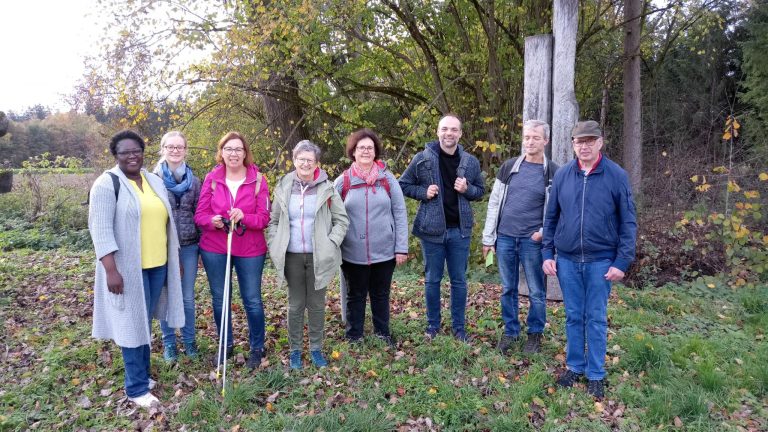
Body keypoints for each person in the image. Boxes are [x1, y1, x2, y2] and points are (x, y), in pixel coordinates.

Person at [88, 130, 184, 408]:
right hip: (128, 270)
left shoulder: (153, 180)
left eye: (136, 151)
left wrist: (175, 258)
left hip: (157, 265)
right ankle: (136, 388)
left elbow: (167, 224)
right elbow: (100, 230)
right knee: (131, 325)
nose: (132, 156)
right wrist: (111, 270)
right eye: (125, 152)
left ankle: (142, 375)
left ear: (143, 153)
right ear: (115, 155)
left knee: (143, 323)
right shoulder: (107, 184)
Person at [542, 120, 637, 399]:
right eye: (579, 141)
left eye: (589, 141)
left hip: (600, 261)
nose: (584, 146)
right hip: (568, 261)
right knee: (573, 316)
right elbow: (551, 217)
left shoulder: (616, 175)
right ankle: (574, 366)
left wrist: (622, 261)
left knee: (595, 317)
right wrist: (547, 253)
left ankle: (596, 373)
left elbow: (628, 221)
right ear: (573, 145)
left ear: (600, 143)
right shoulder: (563, 175)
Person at [399, 114, 485, 342]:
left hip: (460, 231)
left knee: (459, 281)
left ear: (460, 134)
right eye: (445, 129)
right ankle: (432, 326)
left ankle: (459, 328)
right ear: (437, 132)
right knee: (432, 279)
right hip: (432, 231)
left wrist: (467, 189)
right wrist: (423, 192)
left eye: (454, 129)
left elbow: (480, 191)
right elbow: (403, 184)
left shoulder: (470, 162)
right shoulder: (422, 159)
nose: (449, 133)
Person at [267, 140, 349, 370]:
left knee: (316, 305)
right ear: (294, 160)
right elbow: (273, 221)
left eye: (309, 160)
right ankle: (295, 350)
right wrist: (274, 242)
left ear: (316, 163)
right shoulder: (284, 186)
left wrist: (331, 243)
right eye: (301, 159)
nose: (305, 163)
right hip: (291, 256)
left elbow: (341, 220)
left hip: (318, 257)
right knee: (295, 305)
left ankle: (315, 348)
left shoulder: (327, 188)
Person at [481, 120, 559, 355]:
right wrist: (488, 238)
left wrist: (544, 232)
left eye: (535, 137)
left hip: (532, 241)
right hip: (505, 238)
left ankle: (535, 334)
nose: (530, 142)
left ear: (545, 141)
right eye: (526, 137)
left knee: (536, 291)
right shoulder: (509, 167)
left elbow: (559, 208)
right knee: (508, 288)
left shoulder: (553, 172)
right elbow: (494, 202)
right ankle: (510, 331)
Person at [194, 132, 271, 369]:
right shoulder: (212, 179)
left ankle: (257, 347)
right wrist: (212, 221)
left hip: (250, 249)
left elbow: (264, 218)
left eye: (238, 149)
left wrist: (244, 217)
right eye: (228, 149)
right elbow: (200, 214)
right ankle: (225, 345)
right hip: (215, 247)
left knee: (252, 299)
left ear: (245, 152)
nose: (233, 154)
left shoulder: (258, 180)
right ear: (222, 152)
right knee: (220, 298)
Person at [334, 129, 408, 345]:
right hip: (352, 252)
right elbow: (330, 215)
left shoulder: (388, 180)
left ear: (375, 152)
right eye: (361, 148)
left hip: (384, 250)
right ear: (353, 152)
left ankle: (382, 333)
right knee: (355, 295)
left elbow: (400, 212)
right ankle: (354, 335)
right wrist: (332, 247)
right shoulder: (343, 181)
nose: (365, 151)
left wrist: (401, 247)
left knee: (380, 294)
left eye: (370, 147)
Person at [152, 131, 202, 363]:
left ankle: (189, 341)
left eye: (179, 147)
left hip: (190, 246)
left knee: (187, 297)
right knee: (166, 295)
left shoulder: (195, 181)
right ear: (163, 149)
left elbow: (199, 214)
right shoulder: (152, 180)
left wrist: (202, 247)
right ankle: (169, 343)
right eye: (170, 147)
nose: (175, 150)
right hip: (162, 247)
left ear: (185, 150)